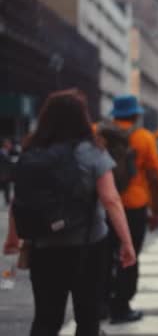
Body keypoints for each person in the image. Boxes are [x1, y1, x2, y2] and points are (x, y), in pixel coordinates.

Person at [2, 89, 136, 336]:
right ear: (82, 118)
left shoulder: (32, 151)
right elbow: (111, 199)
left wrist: (13, 238)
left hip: (44, 247)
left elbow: (19, 199)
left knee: (46, 318)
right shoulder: (92, 152)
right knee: (87, 318)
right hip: (89, 247)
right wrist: (127, 243)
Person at [106, 95, 158, 324]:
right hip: (134, 206)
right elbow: (155, 176)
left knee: (103, 256)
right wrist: (156, 210)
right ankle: (122, 306)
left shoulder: (99, 134)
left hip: (105, 205)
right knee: (129, 256)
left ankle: (102, 304)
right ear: (136, 115)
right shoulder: (144, 138)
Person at [0, 139, 13, 205]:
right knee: (6, 188)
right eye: (9, 144)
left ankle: (7, 201)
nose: (11, 145)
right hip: (3, 174)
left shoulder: (7, 152)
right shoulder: (1, 152)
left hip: (6, 175)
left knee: (7, 189)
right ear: (5, 144)